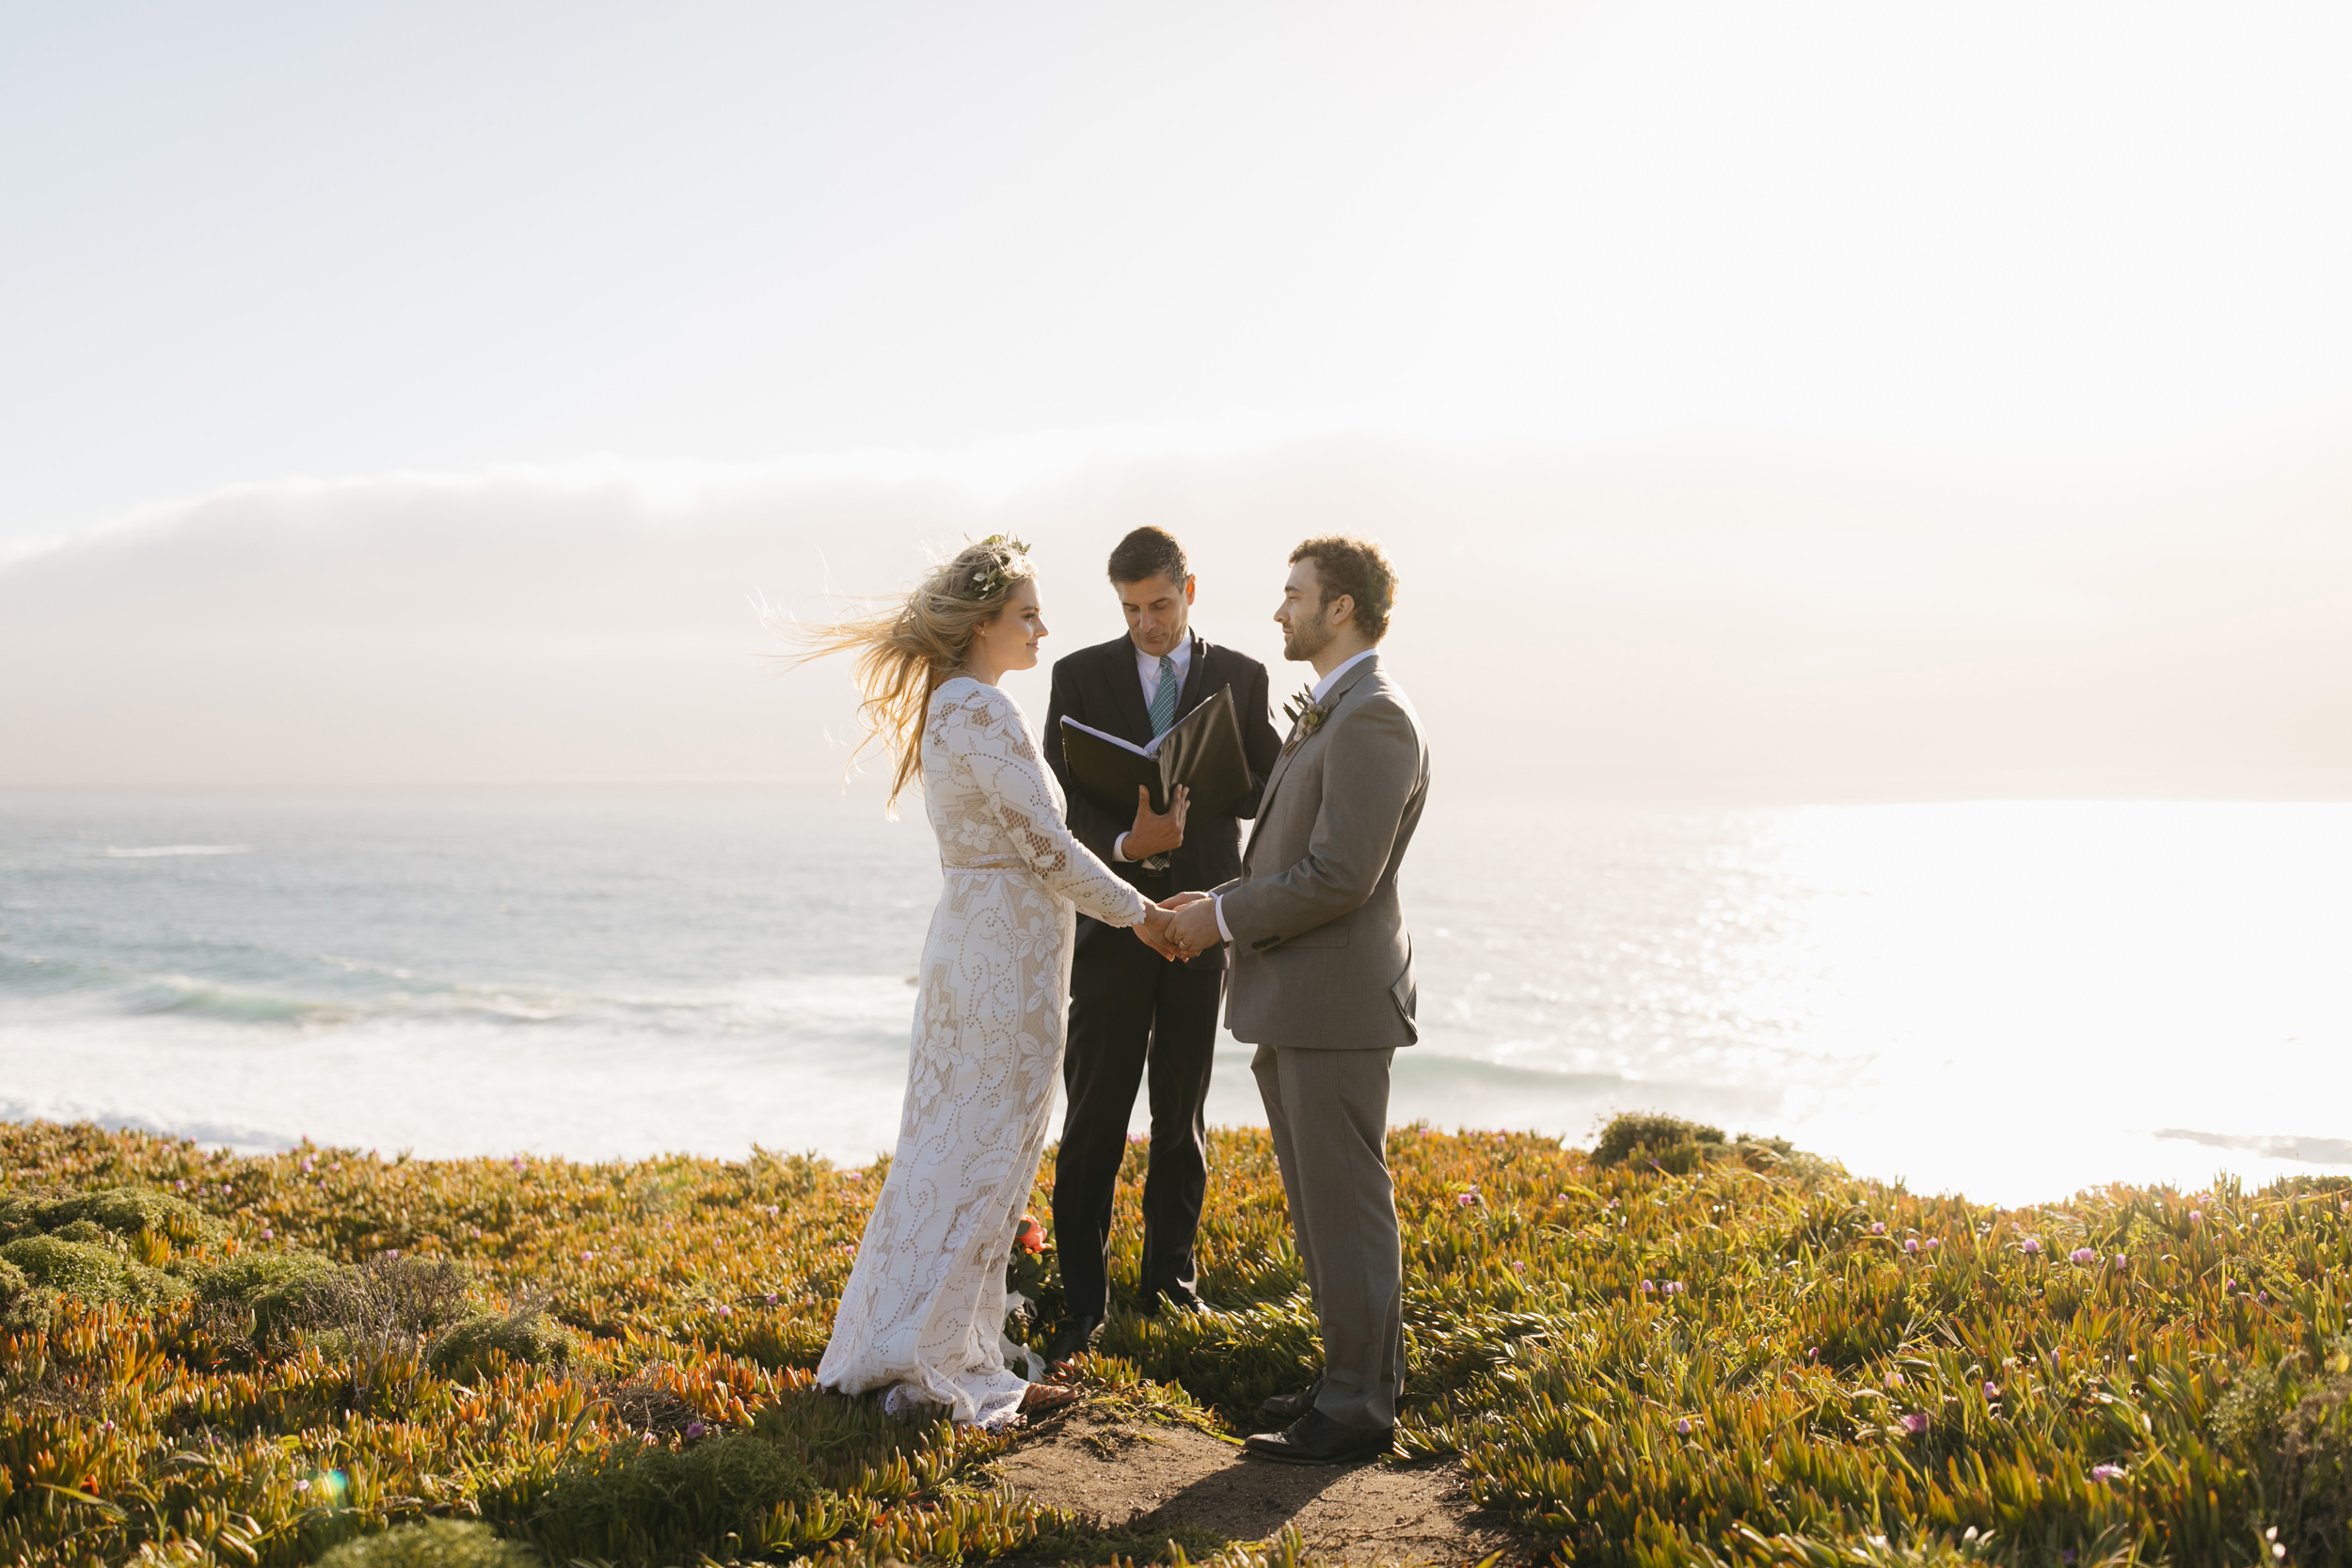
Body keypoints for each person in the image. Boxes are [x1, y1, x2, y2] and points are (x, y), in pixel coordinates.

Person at [792, 536, 1182, 1430]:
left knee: (956, 1145)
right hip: (1001, 953)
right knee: (984, 1149)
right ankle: (939, 1359)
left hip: (987, 941)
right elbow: (1046, 846)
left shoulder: (958, 703)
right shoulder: (982, 710)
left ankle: (943, 1347)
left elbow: (1035, 843)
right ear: (981, 624)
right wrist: (1145, 916)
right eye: (1027, 613)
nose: (1045, 626)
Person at [1159, 536, 1427, 1465]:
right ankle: (1344, 1379)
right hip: (1294, 997)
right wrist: (1215, 900)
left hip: (1335, 1002)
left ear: (1341, 606)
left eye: (1293, 594)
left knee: (1345, 1206)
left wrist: (1223, 920)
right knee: (1320, 1207)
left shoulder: (1373, 718)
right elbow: (1288, 856)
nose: (1278, 610)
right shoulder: (1334, 711)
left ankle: (1359, 1406)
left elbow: (1338, 876)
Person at [1038, 527, 1281, 1365]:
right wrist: (1129, 847)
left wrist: (1208, 780)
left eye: (1160, 605)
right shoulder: (1078, 674)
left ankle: (1170, 1287)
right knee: (1095, 1116)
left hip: (1200, 921)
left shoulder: (1243, 677)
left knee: (1183, 1114)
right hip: (1111, 922)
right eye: (1132, 609)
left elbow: (1269, 792)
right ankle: (1081, 1304)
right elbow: (1056, 808)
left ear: (1190, 588)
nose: (1147, 623)